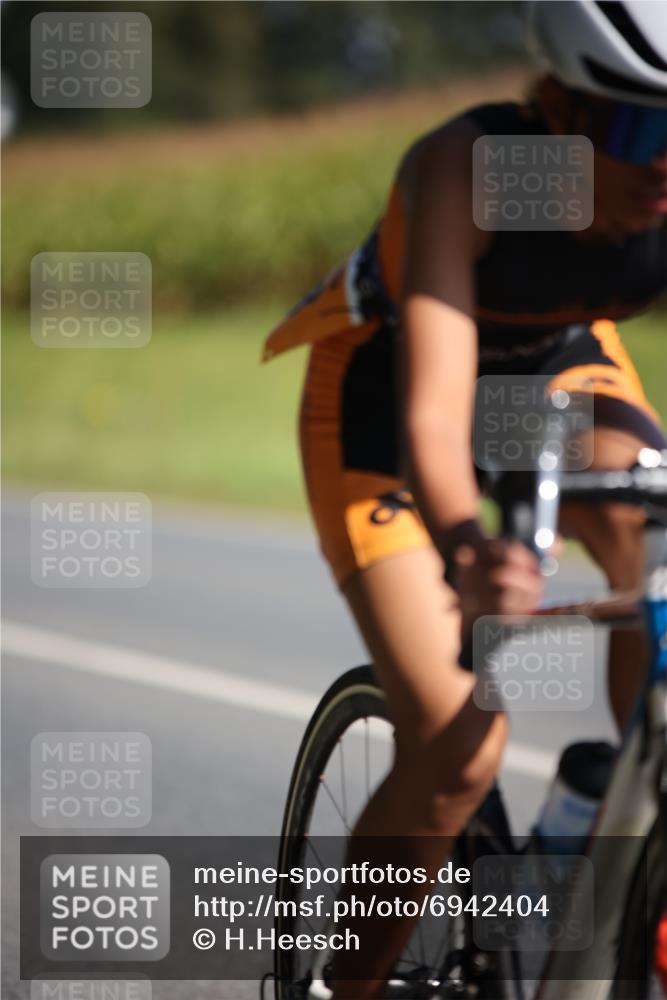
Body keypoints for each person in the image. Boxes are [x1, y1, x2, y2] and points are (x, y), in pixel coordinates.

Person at [263, 1, 667, 996]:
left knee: (653, 536)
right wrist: (464, 544)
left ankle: (616, 820)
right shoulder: (478, 172)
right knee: (457, 738)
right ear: (561, 109)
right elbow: (438, 412)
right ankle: (343, 986)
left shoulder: (658, 190)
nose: (664, 167)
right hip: (389, 399)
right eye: (641, 126)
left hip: (557, 368)